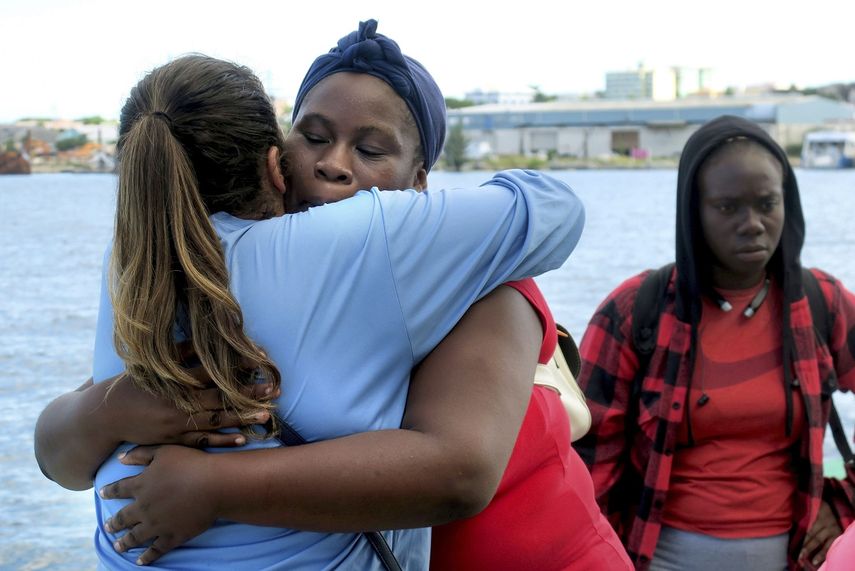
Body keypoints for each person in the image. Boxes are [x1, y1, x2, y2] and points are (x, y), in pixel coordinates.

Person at [33, 50, 585, 570]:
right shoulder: (368, 239)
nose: (333, 166)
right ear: (277, 163)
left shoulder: (135, 260)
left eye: (370, 150)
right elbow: (554, 205)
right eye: (314, 137)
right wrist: (101, 414)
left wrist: (203, 479)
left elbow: (458, 472)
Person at [574, 114, 855, 571]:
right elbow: (586, 465)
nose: (753, 224)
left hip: (795, 559)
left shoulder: (822, 305)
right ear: (694, 211)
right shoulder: (634, 311)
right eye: (727, 207)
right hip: (658, 559)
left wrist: (844, 503)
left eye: (767, 203)